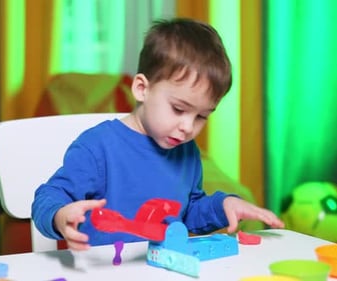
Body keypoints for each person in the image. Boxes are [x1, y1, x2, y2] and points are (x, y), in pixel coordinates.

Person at [32, 18, 284, 251]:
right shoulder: (97, 147)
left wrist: (223, 206)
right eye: (178, 109)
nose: (188, 127)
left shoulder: (186, 153)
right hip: (104, 271)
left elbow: (188, 213)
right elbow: (49, 196)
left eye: (201, 116)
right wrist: (60, 215)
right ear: (142, 89)